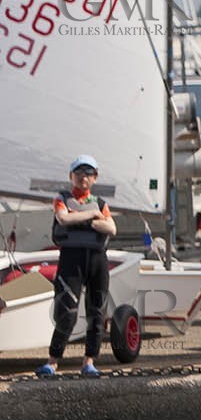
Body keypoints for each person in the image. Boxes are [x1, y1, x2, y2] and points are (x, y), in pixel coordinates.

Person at [38, 156, 116, 378]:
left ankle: (89, 361)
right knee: (67, 313)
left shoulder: (101, 203)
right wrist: (92, 216)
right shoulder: (62, 199)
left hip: (97, 261)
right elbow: (63, 219)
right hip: (71, 261)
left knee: (96, 312)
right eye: (79, 172)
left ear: (95, 177)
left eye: (88, 172)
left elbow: (111, 228)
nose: (83, 176)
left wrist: (82, 218)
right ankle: (52, 362)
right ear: (71, 176)